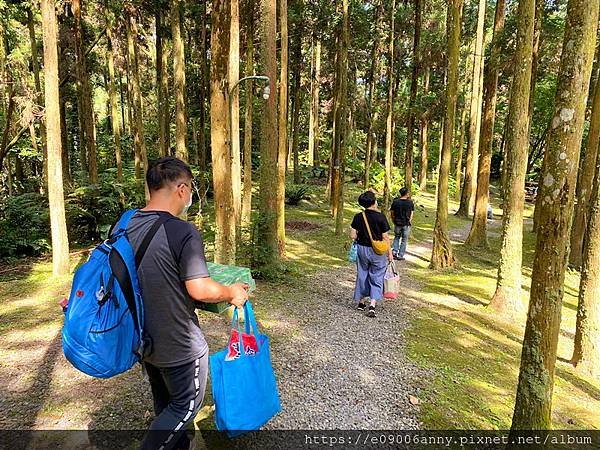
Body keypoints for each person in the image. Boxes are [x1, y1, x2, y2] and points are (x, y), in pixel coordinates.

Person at [125, 156, 248, 450]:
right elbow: (200, 288)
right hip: (180, 346)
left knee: (166, 405)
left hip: (145, 341)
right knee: (183, 410)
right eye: (191, 188)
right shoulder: (182, 231)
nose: (191, 195)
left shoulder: (126, 224)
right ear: (181, 189)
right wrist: (232, 293)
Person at [350, 191, 393, 318]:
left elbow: (353, 235)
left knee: (362, 274)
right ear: (374, 202)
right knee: (377, 275)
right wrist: (389, 253)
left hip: (362, 249)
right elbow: (386, 238)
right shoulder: (381, 217)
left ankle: (361, 302)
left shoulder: (358, 216)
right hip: (377, 251)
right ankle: (372, 305)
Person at [390, 187, 414, 261]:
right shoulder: (410, 203)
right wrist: (409, 221)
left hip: (397, 223)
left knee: (396, 237)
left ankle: (394, 251)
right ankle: (400, 255)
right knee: (404, 240)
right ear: (407, 194)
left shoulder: (395, 202)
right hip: (406, 224)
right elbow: (411, 214)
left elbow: (392, 213)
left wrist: (393, 220)